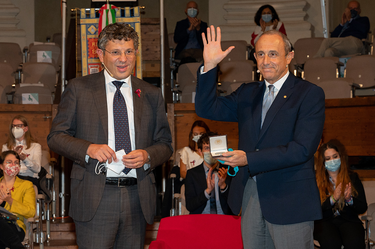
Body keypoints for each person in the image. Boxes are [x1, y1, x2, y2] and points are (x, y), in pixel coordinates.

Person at [195, 26, 325, 248]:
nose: (266, 60)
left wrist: (249, 159)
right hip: (251, 195)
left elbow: (302, 149)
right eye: (260, 54)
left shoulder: (309, 94)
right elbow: (207, 108)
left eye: (273, 54)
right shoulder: (248, 93)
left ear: (289, 56)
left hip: (290, 198)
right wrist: (209, 66)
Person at [47, 23, 172, 249]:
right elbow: (56, 136)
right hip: (96, 195)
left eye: (129, 51)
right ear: (101, 55)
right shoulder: (79, 89)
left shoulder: (151, 94)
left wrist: (147, 155)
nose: (123, 58)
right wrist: (88, 149)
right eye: (115, 52)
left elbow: (165, 144)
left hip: (137, 196)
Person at [314, 139, 367, 249]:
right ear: (323, 163)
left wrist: (349, 200)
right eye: (328, 159)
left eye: (335, 156)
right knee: (331, 244)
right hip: (325, 222)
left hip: (349, 220)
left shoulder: (353, 178)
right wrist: (333, 199)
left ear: (340, 157)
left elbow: (362, 207)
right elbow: (314, 208)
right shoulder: (316, 181)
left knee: (354, 243)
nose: (332, 161)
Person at [185, 132, 231, 215]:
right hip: (200, 220)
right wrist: (207, 191)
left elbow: (235, 203)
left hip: (224, 219)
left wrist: (223, 186)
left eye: (213, 148)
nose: (210, 152)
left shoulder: (228, 172)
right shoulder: (192, 174)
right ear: (200, 152)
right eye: (207, 148)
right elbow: (190, 205)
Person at [0, 150, 36, 249]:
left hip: (15, 227)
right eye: (9, 162)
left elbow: (31, 212)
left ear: (19, 167)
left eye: (16, 163)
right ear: (1, 166)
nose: (13, 165)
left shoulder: (26, 185)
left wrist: (10, 200)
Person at [2, 115, 42, 191]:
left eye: (19, 126)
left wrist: (25, 159)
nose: (16, 128)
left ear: (25, 128)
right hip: (11, 179)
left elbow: (37, 169)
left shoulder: (35, 146)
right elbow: (4, 168)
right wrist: (14, 156)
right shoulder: (6, 147)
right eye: (14, 126)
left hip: (29, 179)